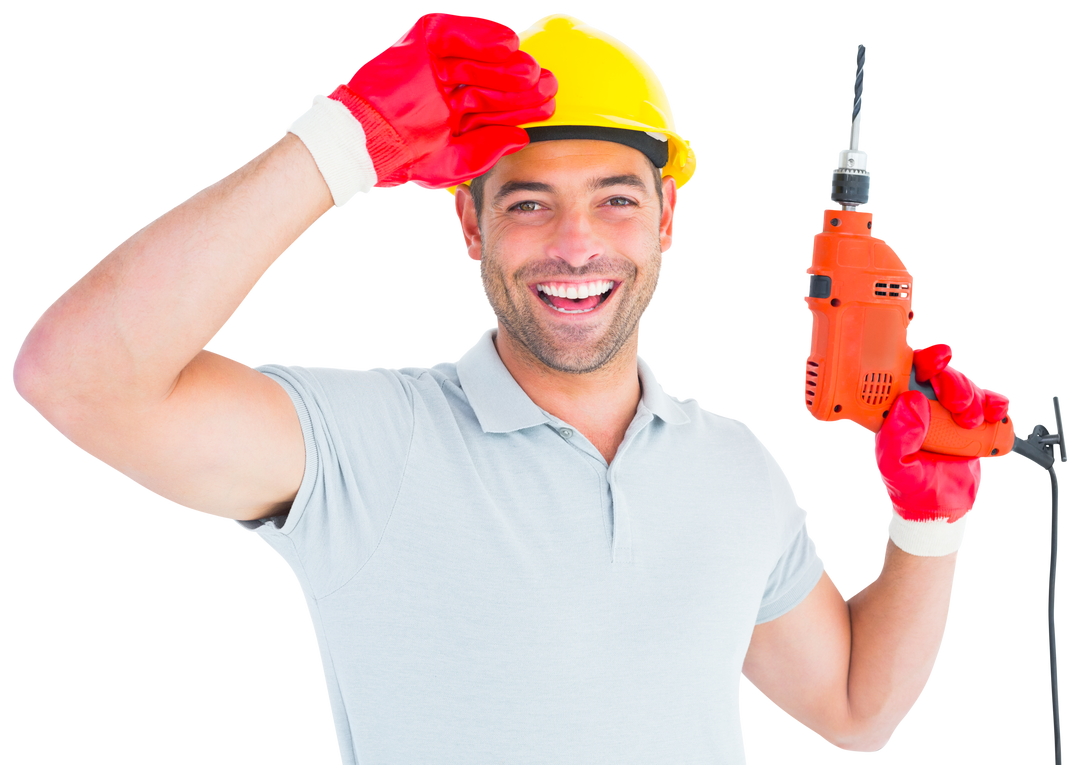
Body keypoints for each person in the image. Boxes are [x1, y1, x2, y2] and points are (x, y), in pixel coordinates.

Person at [12, 11, 1008, 764]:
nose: (577, 244)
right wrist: (339, 143)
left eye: (614, 200)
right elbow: (79, 376)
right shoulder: (368, 445)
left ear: (665, 217)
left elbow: (853, 709)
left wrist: (930, 527)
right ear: (469, 228)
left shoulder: (734, 469)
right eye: (528, 202)